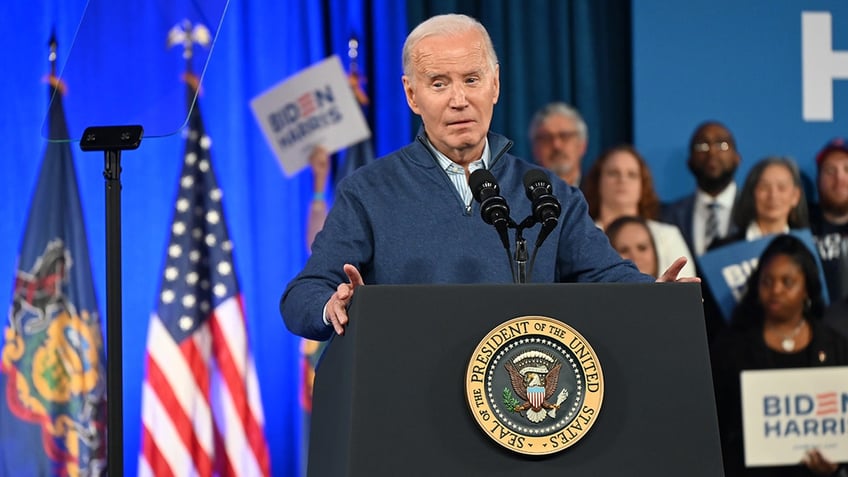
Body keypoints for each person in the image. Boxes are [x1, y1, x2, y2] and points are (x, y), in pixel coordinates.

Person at [279, 13, 696, 341]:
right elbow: (302, 295)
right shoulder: (368, 191)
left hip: (520, 405)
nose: (459, 100)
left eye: (472, 80)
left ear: (495, 85)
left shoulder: (547, 193)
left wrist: (653, 295)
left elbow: (605, 275)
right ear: (411, 95)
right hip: (408, 405)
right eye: (439, 83)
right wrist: (330, 305)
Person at [710, 234, 848, 476]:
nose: (775, 290)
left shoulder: (837, 346)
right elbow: (716, 425)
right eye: (767, 281)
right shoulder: (730, 348)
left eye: (787, 282)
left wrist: (836, 468)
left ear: (807, 288)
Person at [582, 144, 695, 277]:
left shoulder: (667, 235)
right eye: (613, 173)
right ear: (598, 182)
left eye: (632, 174)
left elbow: (686, 290)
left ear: (643, 185)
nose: (622, 180)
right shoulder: (584, 237)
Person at [662, 121, 741, 256]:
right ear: (689, 161)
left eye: (721, 144)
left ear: (737, 158)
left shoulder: (755, 209)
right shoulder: (668, 216)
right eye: (702, 146)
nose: (712, 152)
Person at [715, 156, 809, 247]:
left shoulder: (806, 248)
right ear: (751, 193)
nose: (773, 195)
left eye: (782, 188)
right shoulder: (724, 250)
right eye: (764, 187)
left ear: (795, 196)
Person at [809, 138, 848, 304]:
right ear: (818, 180)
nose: (840, 180)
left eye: (847, 170)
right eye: (830, 171)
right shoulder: (799, 225)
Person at [528, 102, 588, 186]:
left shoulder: (600, 193)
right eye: (547, 138)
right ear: (535, 148)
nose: (556, 145)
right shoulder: (519, 195)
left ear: (582, 145)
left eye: (565, 136)